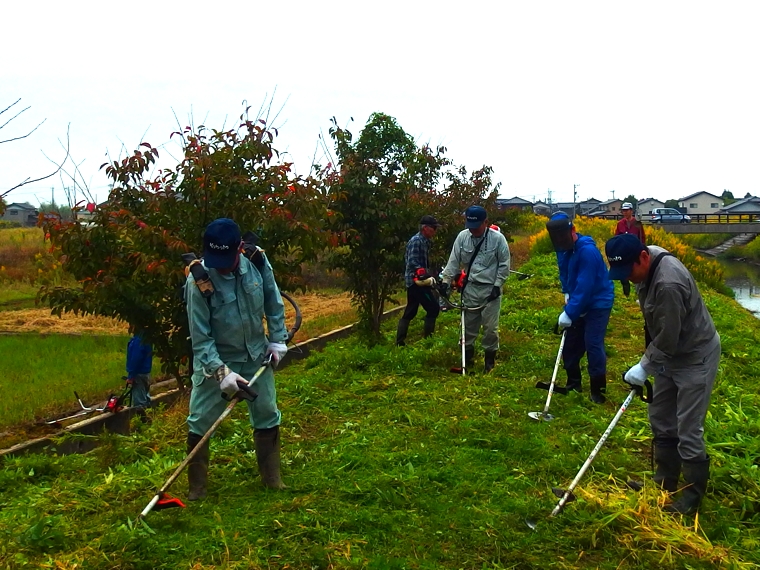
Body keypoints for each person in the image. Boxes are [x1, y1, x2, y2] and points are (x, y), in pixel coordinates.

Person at [606, 233, 720, 515]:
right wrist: (651, 363)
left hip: (695, 355)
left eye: (629, 272)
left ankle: (691, 496)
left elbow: (669, 339)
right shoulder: (647, 258)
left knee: (688, 427)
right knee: (660, 416)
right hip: (668, 356)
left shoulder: (668, 283)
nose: (629, 279)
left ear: (643, 257)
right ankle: (664, 483)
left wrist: (645, 366)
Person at [184, 218, 290, 500]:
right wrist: (221, 374)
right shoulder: (199, 281)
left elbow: (272, 299)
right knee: (200, 421)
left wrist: (278, 339)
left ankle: (271, 478)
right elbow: (201, 337)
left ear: (240, 248)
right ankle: (197, 488)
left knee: (267, 412)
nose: (221, 265)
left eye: (226, 259)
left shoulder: (257, 262)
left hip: (256, 354)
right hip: (216, 360)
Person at [546, 212, 614, 404]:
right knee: (571, 344)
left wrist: (570, 312)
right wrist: (567, 292)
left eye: (563, 238)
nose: (560, 242)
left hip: (598, 302)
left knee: (592, 343)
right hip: (578, 299)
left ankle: (598, 390)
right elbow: (565, 272)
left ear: (573, 230)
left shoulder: (587, 252)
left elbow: (586, 286)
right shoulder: (564, 248)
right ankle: (573, 384)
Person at [441, 205, 510, 373]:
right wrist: (445, 281)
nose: (473, 231)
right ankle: (467, 361)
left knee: (490, 329)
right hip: (470, 288)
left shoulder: (498, 239)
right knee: (468, 327)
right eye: (470, 227)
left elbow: (504, 265)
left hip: (490, 290)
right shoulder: (462, 238)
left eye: (477, 226)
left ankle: (489, 364)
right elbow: (453, 261)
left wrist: (497, 285)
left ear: (486, 222)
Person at [396, 215, 442, 346]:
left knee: (411, 310)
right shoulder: (417, 241)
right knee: (433, 308)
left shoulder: (425, 241)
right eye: (433, 228)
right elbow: (412, 262)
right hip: (416, 282)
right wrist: (424, 274)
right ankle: (429, 341)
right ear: (425, 228)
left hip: (416, 282)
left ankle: (400, 342)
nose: (435, 231)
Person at [615, 202, 646, 296]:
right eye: (623, 210)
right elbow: (616, 237)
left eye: (627, 210)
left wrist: (642, 247)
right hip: (624, 250)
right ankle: (625, 286)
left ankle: (639, 289)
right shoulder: (620, 224)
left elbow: (642, 237)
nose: (625, 212)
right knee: (622, 268)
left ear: (631, 211)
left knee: (638, 270)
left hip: (635, 249)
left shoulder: (637, 223)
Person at [126, 333, 152, 411]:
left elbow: (135, 358)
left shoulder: (138, 340)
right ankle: (149, 417)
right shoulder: (146, 338)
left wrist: (131, 375)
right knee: (145, 397)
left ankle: (143, 420)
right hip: (145, 372)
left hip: (138, 373)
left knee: (139, 403)